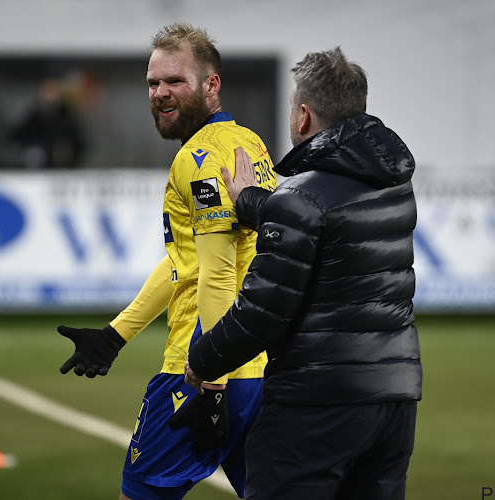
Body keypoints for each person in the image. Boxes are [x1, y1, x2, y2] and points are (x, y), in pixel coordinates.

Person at [184, 47, 423, 500]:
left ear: (304, 116)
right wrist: (253, 202)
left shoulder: (301, 197)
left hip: (317, 401)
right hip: (394, 398)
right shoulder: (393, 183)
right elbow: (325, 221)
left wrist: (204, 359)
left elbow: (263, 310)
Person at [55, 23, 277, 500]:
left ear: (210, 85)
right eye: (153, 83)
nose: (159, 93)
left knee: (140, 494)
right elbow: (189, 263)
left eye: (175, 81)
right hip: (256, 369)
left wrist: (211, 387)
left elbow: (216, 275)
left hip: (198, 372)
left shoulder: (197, 158)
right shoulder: (251, 145)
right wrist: (118, 334)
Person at [7, 73, 87, 169]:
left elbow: (81, 144)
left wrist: (69, 161)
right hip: (32, 170)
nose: (49, 96)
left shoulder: (68, 119)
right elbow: (14, 137)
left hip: (59, 171)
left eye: (53, 91)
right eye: (46, 91)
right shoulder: (33, 116)